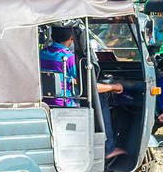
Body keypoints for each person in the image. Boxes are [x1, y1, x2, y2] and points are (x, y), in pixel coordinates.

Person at [40, 25, 126, 160]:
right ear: (72, 38)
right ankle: (108, 148)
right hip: (66, 104)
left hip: (45, 101)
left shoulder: (41, 54)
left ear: (51, 37)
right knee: (101, 98)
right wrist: (114, 87)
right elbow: (89, 86)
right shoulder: (68, 57)